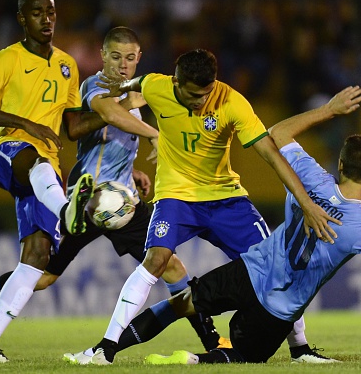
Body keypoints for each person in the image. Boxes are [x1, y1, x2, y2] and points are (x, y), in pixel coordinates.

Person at [93, 86, 361, 365]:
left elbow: (277, 133)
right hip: (278, 310)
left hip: (249, 271)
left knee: (181, 303)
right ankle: (192, 361)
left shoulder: (311, 178)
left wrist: (329, 110)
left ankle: (108, 350)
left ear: (340, 166)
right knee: (241, 358)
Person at [0, 26, 229, 359]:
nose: (122, 65)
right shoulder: (94, 85)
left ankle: (212, 340)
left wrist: (132, 169)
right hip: (88, 200)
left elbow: (115, 141)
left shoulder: (136, 90)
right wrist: (154, 133)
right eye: (115, 56)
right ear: (103, 56)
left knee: (171, 267)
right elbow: (87, 124)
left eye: (129, 57)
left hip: (123, 203)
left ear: (138, 57)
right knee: (43, 275)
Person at [63, 48, 345, 365]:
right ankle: (105, 349)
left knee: (277, 267)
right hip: (176, 197)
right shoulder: (157, 86)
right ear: (177, 82)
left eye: (206, 93)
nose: (201, 101)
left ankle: (301, 349)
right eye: (194, 94)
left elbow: (271, 155)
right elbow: (132, 88)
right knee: (155, 261)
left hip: (226, 199)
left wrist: (306, 204)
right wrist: (117, 94)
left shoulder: (232, 102)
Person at [0, 0, 97, 363]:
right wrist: (25, 123)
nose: (47, 19)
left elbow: (73, 127)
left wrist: (118, 108)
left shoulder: (68, 65)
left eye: (51, 12)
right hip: (9, 152)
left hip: (46, 169)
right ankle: (68, 208)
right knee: (33, 158)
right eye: (37, 13)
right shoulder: (7, 59)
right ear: (22, 19)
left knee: (36, 258)